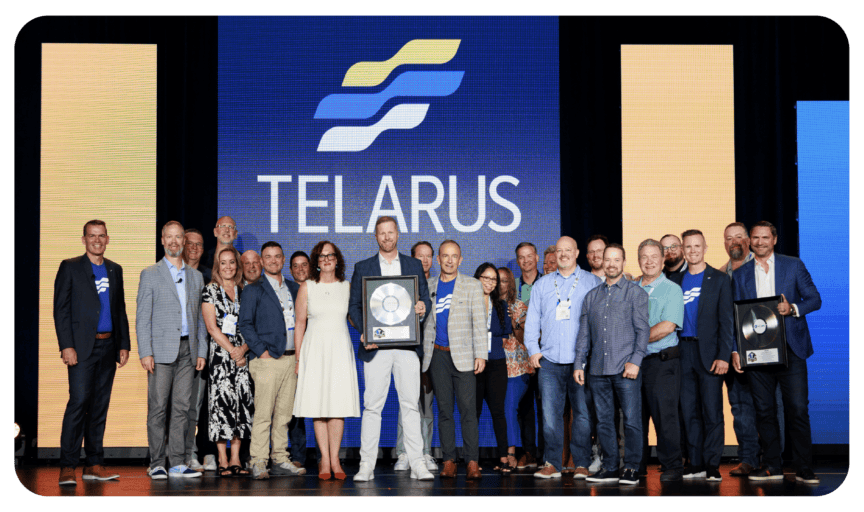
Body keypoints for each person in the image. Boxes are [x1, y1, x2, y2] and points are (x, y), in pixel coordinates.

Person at [732, 221, 822, 484]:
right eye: (755, 238)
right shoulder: (740, 274)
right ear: (750, 241)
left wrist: (792, 308)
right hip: (757, 350)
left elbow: (815, 299)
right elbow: (736, 314)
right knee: (764, 410)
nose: (760, 242)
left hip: (791, 348)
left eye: (765, 237)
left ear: (774, 239)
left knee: (796, 408)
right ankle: (772, 466)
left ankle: (804, 467)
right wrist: (736, 350)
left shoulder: (793, 265)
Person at [350, 217, 433, 482]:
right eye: (381, 233)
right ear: (376, 236)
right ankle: (366, 465)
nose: (386, 237)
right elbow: (354, 307)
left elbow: (424, 302)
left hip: (407, 347)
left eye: (390, 232)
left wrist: (422, 308)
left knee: (410, 406)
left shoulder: (413, 265)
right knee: (372, 406)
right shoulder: (363, 267)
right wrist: (364, 331)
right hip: (376, 346)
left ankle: (418, 463)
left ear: (398, 234)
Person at [54, 220, 131, 485]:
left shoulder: (115, 269)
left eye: (101, 236)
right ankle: (68, 466)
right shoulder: (70, 267)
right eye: (91, 236)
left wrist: (124, 344)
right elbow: (61, 309)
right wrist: (66, 345)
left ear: (107, 239)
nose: (97, 240)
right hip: (81, 348)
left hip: (109, 346)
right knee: (78, 404)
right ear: (84, 239)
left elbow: (119, 309)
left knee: (99, 407)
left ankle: (94, 464)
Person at [524, 236, 600, 479]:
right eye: (560, 251)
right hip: (549, 361)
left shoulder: (592, 282)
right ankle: (552, 463)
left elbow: (600, 322)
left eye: (568, 250)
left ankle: (581, 463)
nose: (564, 254)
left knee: (582, 415)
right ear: (554, 255)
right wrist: (533, 349)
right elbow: (532, 320)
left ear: (577, 253)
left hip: (582, 361)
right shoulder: (542, 285)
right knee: (550, 415)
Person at [137, 221, 207, 479]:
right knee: (157, 407)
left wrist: (202, 351)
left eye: (180, 237)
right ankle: (157, 462)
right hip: (161, 351)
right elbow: (143, 317)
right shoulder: (150, 273)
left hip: (190, 350)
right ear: (163, 241)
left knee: (182, 408)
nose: (175, 242)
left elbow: (200, 318)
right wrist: (145, 351)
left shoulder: (196, 276)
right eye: (170, 237)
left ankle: (178, 462)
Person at [574, 243, 649, 485]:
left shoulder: (636, 293)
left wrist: (636, 361)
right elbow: (584, 335)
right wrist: (578, 364)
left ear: (624, 262)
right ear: (602, 262)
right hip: (597, 370)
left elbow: (643, 331)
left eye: (616, 260)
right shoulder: (591, 297)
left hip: (626, 368)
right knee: (604, 421)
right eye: (608, 259)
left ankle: (631, 467)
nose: (611, 264)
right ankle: (610, 467)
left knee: (631, 420)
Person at [668, 230, 733, 482]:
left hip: (709, 354)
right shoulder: (675, 279)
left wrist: (724, 356)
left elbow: (726, 321)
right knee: (689, 411)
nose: (693, 250)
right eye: (688, 246)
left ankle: (713, 464)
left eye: (697, 245)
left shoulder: (719, 279)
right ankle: (695, 463)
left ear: (705, 247)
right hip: (682, 351)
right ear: (683, 249)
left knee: (712, 411)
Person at [293, 241, 361, 480]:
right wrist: (299, 359)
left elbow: (354, 318)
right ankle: (324, 459)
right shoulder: (307, 287)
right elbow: (300, 324)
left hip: (340, 350)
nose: (326, 259)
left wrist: (367, 331)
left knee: (337, 406)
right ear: (316, 261)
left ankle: (335, 459)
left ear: (337, 259)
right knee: (318, 407)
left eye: (330, 255)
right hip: (315, 351)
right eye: (321, 256)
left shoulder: (346, 286)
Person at [237, 241, 305, 479]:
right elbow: (244, 323)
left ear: (283, 259)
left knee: (285, 414)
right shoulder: (253, 289)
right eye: (268, 257)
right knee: (264, 413)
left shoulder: (294, 289)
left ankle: (280, 457)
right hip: (267, 360)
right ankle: (257, 460)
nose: (273, 260)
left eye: (277, 256)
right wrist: (260, 352)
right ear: (262, 261)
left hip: (291, 359)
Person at [422, 240, 487, 480]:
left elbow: (479, 323)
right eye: (445, 256)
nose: (449, 260)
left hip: (465, 356)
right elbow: (422, 323)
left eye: (454, 256)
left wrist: (481, 353)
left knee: (469, 411)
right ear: (438, 259)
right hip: (437, 355)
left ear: (460, 260)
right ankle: (448, 460)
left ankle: (472, 461)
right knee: (445, 411)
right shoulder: (428, 285)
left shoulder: (472, 285)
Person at [202, 247, 254, 477]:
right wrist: (233, 350)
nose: (228, 267)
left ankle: (236, 458)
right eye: (223, 263)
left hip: (243, 357)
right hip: (221, 357)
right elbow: (212, 328)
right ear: (217, 266)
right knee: (221, 406)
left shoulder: (246, 290)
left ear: (237, 265)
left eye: (232, 262)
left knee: (242, 406)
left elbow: (253, 325)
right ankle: (222, 458)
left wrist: (243, 349)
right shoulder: (210, 290)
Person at [636, 239, 685, 481]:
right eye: (644, 256)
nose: (649, 261)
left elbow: (667, 326)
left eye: (654, 256)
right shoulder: (631, 287)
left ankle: (672, 466)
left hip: (662, 362)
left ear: (663, 259)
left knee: (665, 417)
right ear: (638, 260)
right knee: (636, 418)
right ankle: (637, 465)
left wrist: (633, 342)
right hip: (635, 363)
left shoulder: (672, 289)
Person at [720, 222, 767, 477]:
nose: (734, 241)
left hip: (763, 349)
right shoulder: (718, 275)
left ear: (748, 240)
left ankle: (773, 459)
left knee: (768, 406)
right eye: (729, 238)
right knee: (739, 407)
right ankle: (748, 458)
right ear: (724, 243)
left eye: (739, 237)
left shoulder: (763, 269)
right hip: (732, 353)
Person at [393, 241, 438, 472]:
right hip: (407, 350)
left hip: (431, 353)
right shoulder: (403, 284)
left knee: (426, 406)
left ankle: (426, 452)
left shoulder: (439, 284)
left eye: (429, 255)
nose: (425, 260)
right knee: (407, 403)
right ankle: (404, 452)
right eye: (420, 256)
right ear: (412, 258)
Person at [474, 263, 513, 472]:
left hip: (497, 361)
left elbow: (505, 331)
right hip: (474, 363)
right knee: (474, 412)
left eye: (493, 279)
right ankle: (472, 460)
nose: (489, 282)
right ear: (477, 278)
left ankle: (504, 458)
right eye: (485, 278)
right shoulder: (467, 302)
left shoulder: (501, 304)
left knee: (499, 411)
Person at [182, 228, 215, 473]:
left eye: (199, 245)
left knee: (194, 405)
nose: (194, 248)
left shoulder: (206, 277)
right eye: (189, 244)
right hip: (171, 351)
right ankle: (166, 456)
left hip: (199, 351)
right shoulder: (167, 272)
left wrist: (203, 350)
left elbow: (206, 321)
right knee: (171, 407)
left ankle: (190, 452)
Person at [497, 267, 533, 471]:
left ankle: (511, 453)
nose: (500, 284)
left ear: (510, 283)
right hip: (494, 367)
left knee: (508, 408)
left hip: (517, 368)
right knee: (499, 411)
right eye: (497, 280)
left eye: (504, 280)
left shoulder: (519, 307)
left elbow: (526, 340)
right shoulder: (487, 306)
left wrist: (513, 323)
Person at [515, 242, 545, 469]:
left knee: (546, 406)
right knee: (524, 407)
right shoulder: (512, 287)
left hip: (545, 355)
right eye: (521, 258)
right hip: (518, 357)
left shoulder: (548, 283)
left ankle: (547, 453)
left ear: (536, 257)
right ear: (518, 261)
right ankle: (528, 453)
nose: (526, 261)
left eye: (529, 256)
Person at [286, 250, 311, 472]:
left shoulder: (319, 289)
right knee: (294, 409)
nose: (300, 269)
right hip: (293, 356)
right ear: (290, 269)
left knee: (325, 409)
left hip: (319, 355)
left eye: (304, 265)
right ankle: (297, 455)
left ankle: (328, 456)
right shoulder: (285, 291)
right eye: (296, 265)